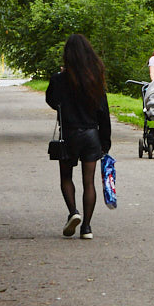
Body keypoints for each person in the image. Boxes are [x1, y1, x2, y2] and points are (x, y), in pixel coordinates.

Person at [46, 34, 112, 240]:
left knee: (66, 177)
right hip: (91, 134)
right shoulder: (95, 77)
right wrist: (105, 140)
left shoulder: (59, 79)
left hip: (69, 135)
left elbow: (51, 100)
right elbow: (104, 111)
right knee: (89, 182)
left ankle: (73, 212)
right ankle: (87, 228)